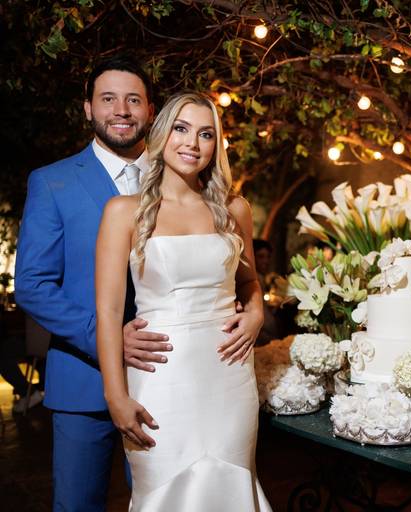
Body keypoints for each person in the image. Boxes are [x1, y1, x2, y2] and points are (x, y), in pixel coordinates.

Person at [95, 91, 271, 511]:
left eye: (206, 134)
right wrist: (115, 396)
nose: (192, 143)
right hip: (160, 377)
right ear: (162, 134)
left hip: (229, 375)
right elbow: (109, 311)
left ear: (216, 145)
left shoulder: (235, 209)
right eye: (181, 128)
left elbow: (249, 281)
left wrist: (257, 313)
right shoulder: (123, 211)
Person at [14, 55, 173, 511]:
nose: (121, 110)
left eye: (133, 100)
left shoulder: (178, 181)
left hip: (167, 375)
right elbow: (33, 284)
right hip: (84, 380)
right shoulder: (53, 182)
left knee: (166, 502)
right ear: (88, 108)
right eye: (108, 99)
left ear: (150, 109)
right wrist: (106, 337)